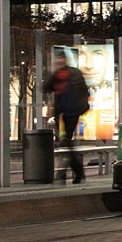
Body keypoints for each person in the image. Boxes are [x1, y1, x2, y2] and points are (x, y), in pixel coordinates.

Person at [43, 51, 90, 183]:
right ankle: (76, 173)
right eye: (58, 59)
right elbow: (45, 87)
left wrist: (82, 106)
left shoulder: (74, 73)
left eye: (61, 58)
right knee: (66, 143)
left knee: (66, 142)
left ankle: (67, 173)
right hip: (61, 114)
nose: (59, 61)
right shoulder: (56, 75)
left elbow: (83, 91)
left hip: (72, 113)